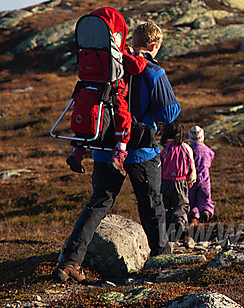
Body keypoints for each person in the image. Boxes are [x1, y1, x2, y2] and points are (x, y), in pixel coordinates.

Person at [54, 21, 180, 283]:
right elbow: (168, 113)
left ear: (132, 41)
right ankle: (160, 261)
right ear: (155, 45)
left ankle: (71, 261)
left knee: (99, 203)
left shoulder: (108, 67)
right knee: (152, 205)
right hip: (141, 151)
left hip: (103, 148)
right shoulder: (154, 72)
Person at [64, 7, 148, 176]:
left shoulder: (87, 47)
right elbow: (136, 68)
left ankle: (77, 152)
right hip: (113, 91)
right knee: (123, 116)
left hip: (88, 87)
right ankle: (119, 155)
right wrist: (140, 56)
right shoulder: (117, 51)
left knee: (85, 113)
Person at [160, 122, 197, 246]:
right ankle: (180, 222)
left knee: (164, 206)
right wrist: (191, 179)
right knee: (181, 205)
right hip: (181, 182)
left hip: (163, 182)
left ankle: (165, 232)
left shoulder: (162, 149)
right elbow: (191, 165)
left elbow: (157, 165)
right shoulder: (186, 148)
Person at [187, 125, 216, 226]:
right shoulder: (207, 150)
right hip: (204, 180)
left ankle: (193, 219)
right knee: (205, 198)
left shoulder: (188, 149)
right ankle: (205, 212)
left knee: (191, 201)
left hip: (191, 179)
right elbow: (211, 157)